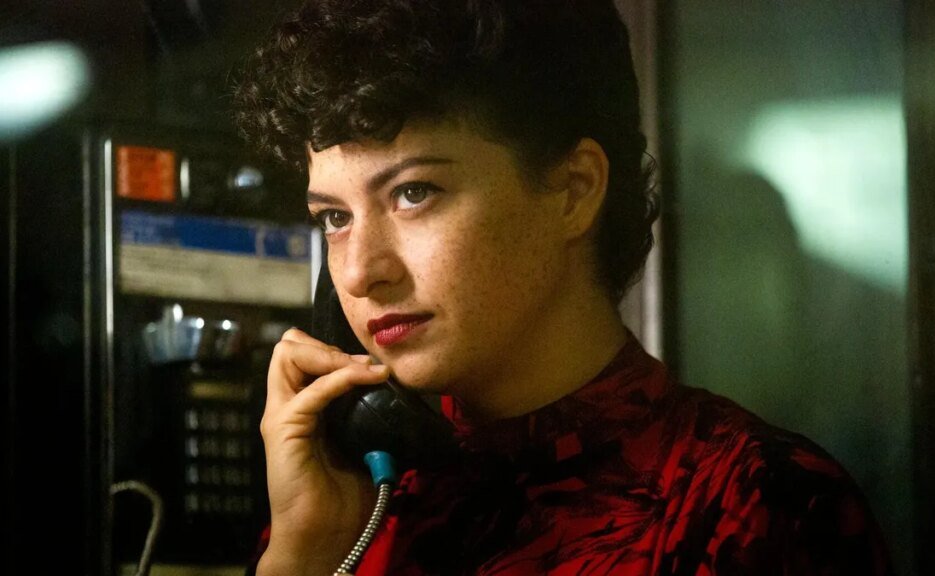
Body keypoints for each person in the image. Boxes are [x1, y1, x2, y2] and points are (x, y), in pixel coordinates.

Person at [231, 0, 893, 574]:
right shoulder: (356, 508)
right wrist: (299, 558)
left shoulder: (755, 505)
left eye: (414, 193)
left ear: (573, 191)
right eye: (335, 218)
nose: (358, 272)